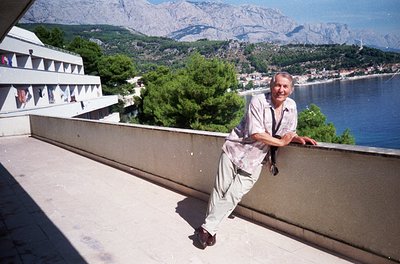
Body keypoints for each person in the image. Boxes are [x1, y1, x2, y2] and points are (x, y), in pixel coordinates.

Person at [196, 72, 317, 248]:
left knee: (235, 193)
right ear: (271, 86)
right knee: (220, 190)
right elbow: (256, 133)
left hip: (256, 157)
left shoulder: (291, 106)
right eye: (277, 85)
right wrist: (282, 142)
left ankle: (207, 228)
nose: (280, 89)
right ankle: (210, 230)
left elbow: (288, 131)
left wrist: (295, 138)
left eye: (285, 86)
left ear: (291, 90)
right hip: (235, 149)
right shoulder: (258, 101)